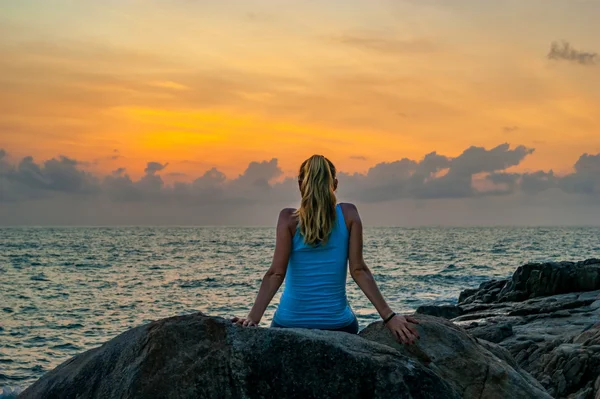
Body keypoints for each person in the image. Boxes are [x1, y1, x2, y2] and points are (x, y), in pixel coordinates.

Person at [232, 155, 419, 344]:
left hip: (289, 324)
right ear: (335, 184)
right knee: (346, 314)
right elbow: (359, 270)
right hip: (338, 325)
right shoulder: (349, 214)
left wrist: (252, 319)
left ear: (300, 184)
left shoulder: (287, 218)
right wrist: (389, 317)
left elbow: (275, 274)